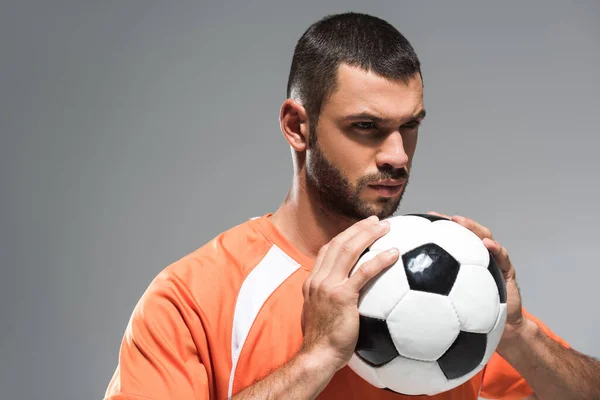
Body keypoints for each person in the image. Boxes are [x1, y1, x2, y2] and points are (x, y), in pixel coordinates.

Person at [104, 12, 600, 400]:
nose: (397, 156)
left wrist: (518, 334)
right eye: (367, 127)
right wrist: (316, 357)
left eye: (410, 126)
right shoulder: (192, 297)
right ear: (298, 126)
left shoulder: (447, 275)